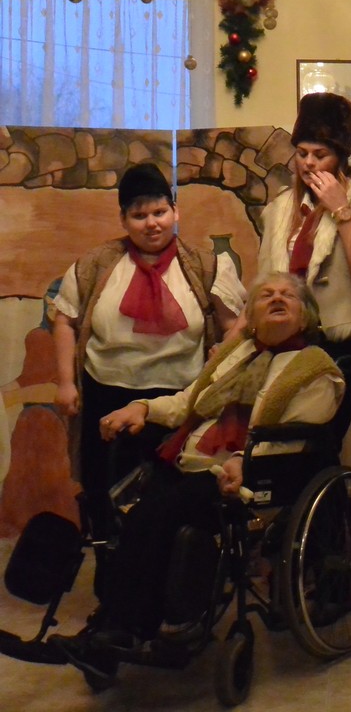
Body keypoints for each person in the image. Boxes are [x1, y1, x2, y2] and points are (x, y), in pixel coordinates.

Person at [50, 272, 344, 683]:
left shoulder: (317, 369)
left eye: (288, 296)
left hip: (251, 478)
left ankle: (124, 628)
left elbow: (297, 438)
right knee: (128, 511)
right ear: (251, 315)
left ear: (306, 316)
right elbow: (189, 402)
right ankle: (119, 624)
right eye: (266, 295)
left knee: (155, 513)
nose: (277, 299)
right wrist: (143, 408)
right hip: (189, 464)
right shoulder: (236, 353)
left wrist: (244, 461)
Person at [53, 163, 244, 550]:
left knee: (166, 496)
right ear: (123, 220)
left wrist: (221, 356)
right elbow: (64, 320)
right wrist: (66, 382)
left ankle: (170, 578)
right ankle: (111, 577)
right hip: (107, 392)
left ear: (175, 211)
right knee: (104, 492)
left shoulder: (205, 265)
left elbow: (234, 324)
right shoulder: (95, 265)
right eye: (139, 216)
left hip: (179, 399)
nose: (152, 224)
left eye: (160, 212)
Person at [258, 91, 351, 448]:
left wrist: (341, 211)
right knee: (281, 445)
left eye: (320, 155)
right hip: (287, 342)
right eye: (302, 153)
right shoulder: (280, 208)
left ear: (340, 158)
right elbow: (264, 284)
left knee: (320, 444)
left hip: (343, 346)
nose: (308, 163)